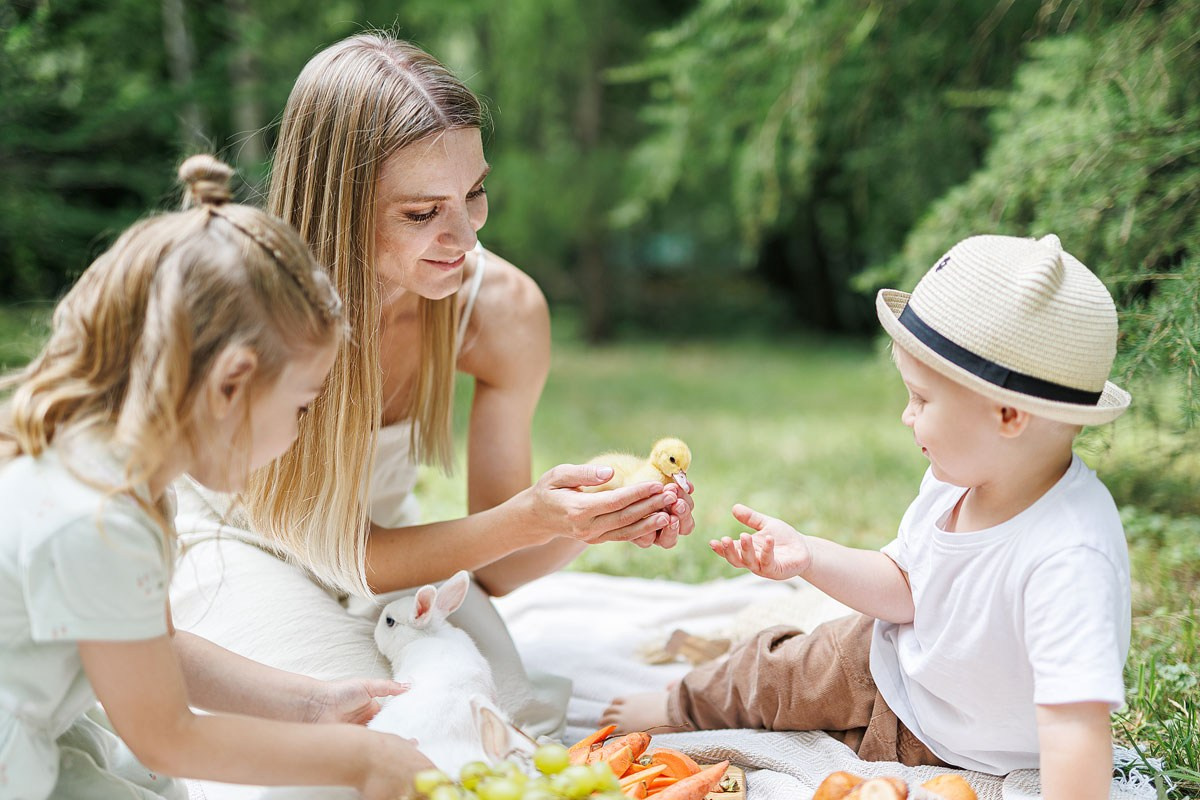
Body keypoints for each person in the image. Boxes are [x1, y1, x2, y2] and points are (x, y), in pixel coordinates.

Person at [168, 31, 696, 739]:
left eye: (474, 193)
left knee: (497, 715)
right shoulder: (261, 310)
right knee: (367, 730)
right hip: (245, 544)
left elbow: (500, 568)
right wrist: (531, 516)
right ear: (339, 207)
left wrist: (594, 517)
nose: (467, 237)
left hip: (391, 557)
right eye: (422, 214)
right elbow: (341, 548)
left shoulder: (502, 310)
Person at [603, 234, 1132, 799]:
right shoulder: (960, 479)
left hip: (956, 746)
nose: (907, 416)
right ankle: (678, 704)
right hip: (886, 664)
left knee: (834, 739)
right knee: (776, 670)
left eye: (922, 400)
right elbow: (905, 586)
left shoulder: (1069, 557)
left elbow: (1076, 726)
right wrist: (808, 555)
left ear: (1007, 414)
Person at [0, 155, 436, 800]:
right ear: (231, 383)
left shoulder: (122, 473)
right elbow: (167, 736)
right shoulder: (97, 519)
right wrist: (357, 761)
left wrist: (312, 704)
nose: (296, 434)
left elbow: (151, 647)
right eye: (301, 405)